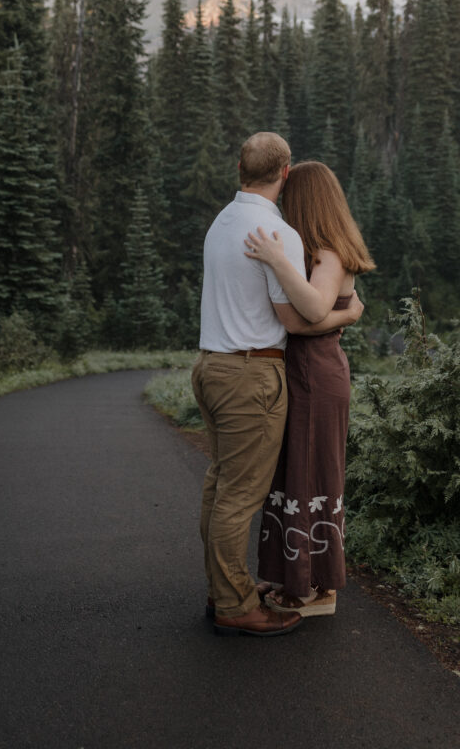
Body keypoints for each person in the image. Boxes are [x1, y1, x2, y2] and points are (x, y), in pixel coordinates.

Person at [191, 134, 364, 637]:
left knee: (222, 486)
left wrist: (341, 306)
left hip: (212, 366)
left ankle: (227, 590)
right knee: (239, 495)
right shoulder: (276, 234)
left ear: (238, 168)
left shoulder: (222, 222)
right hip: (250, 373)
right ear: (282, 173)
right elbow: (299, 318)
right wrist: (349, 313)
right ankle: (233, 602)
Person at [244, 160, 375, 617]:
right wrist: (350, 314)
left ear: (303, 201)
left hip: (316, 379)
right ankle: (293, 577)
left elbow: (311, 316)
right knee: (294, 475)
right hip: (305, 375)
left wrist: (279, 261)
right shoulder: (318, 252)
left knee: (311, 476)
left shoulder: (329, 254)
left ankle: (315, 591)